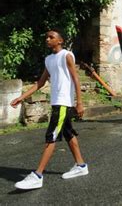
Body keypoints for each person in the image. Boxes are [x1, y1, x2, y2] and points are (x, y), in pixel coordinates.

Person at [10, 30, 88, 190]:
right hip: (56, 103)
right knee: (68, 133)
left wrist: (79, 102)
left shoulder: (67, 55)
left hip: (63, 102)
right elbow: (40, 83)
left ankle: (38, 175)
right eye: (46, 37)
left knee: (51, 136)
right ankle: (81, 166)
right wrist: (21, 97)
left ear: (60, 41)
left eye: (51, 37)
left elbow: (76, 78)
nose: (47, 39)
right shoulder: (49, 59)